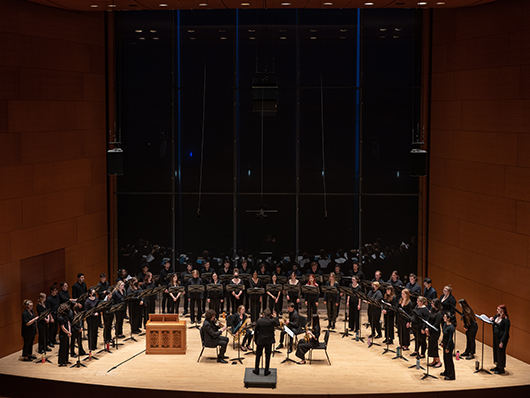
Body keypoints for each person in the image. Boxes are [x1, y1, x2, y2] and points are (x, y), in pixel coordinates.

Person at [253, 308, 280, 376]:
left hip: (260, 340)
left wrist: (255, 340)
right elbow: (278, 324)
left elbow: (255, 332)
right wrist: (275, 317)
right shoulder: (272, 321)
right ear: (270, 315)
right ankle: (266, 371)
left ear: (263, 314)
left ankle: (256, 370)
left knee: (258, 355)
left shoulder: (259, 321)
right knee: (267, 356)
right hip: (268, 341)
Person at [490, 304, 510, 374]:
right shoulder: (496, 316)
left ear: (503, 310)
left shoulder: (506, 320)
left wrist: (502, 341)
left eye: (498, 309)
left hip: (502, 339)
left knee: (501, 353)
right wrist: (492, 320)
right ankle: (497, 365)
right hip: (496, 337)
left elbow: (506, 332)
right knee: (496, 351)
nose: (497, 310)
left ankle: (501, 369)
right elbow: (495, 324)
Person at [426, 299, 443, 368]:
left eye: (433, 303)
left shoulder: (439, 313)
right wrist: (427, 328)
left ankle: (439, 361)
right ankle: (434, 360)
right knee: (431, 345)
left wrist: (428, 329)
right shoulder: (432, 310)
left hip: (435, 331)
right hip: (430, 330)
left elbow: (436, 324)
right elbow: (428, 319)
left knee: (434, 346)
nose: (431, 304)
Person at [441, 312, 456, 380]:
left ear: (448, 319)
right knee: (445, 359)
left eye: (445, 317)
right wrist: (442, 342)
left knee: (449, 360)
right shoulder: (445, 325)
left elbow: (450, 339)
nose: (443, 318)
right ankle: (446, 371)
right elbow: (444, 336)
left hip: (449, 345)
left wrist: (447, 348)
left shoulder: (451, 328)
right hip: (445, 344)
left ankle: (451, 375)